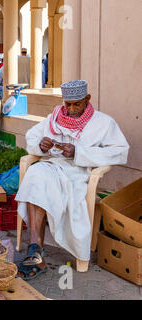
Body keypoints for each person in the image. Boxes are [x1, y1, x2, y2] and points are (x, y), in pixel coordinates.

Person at [15, 80, 129, 280]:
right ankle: (35, 249)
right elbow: (31, 137)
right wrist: (41, 146)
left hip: (78, 173)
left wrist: (79, 152)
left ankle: (36, 252)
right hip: (52, 166)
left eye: (77, 104)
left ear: (87, 99)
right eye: (67, 104)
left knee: (41, 180)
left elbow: (120, 152)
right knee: (35, 175)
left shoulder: (103, 123)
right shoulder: (55, 117)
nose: (71, 109)